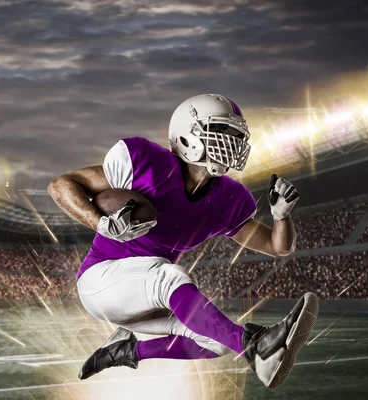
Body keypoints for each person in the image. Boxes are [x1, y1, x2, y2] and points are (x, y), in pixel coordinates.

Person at [48, 94, 319, 389]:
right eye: (221, 131)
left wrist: (281, 216)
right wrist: (100, 223)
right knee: (168, 276)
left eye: (236, 136)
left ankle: (125, 351)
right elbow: (61, 185)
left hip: (145, 296)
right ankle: (255, 347)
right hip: (100, 281)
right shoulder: (146, 163)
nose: (232, 142)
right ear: (187, 136)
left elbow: (278, 246)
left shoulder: (227, 199)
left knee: (215, 341)